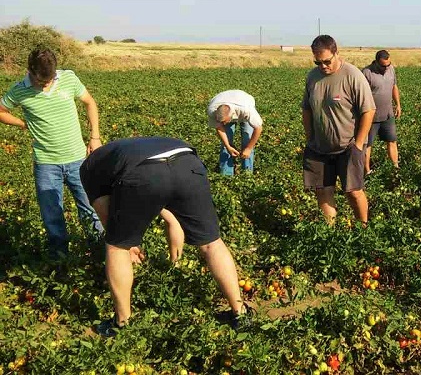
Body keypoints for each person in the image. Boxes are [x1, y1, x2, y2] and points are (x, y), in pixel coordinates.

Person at [79, 137, 249, 337]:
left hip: (144, 172)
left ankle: (122, 323)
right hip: (188, 163)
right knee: (212, 243)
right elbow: (166, 202)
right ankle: (240, 313)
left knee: (116, 247)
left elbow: (107, 216)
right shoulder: (131, 149)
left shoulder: (88, 169)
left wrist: (127, 244)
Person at [0, 49, 104, 258]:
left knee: (90, 207)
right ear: (30, 71)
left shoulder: (69, 78)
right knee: (52, 215)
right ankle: (59, 258)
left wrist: (95, 136)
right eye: (41, 80)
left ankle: (99, 251)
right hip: (46, 163)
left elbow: (89, 102)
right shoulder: (20, 90)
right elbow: (1, 110)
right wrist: (23, 124)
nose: (45, 84)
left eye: (49, 79)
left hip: (78, 159)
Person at [302, 35, 376, 224]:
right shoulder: (312, 77)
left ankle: (363, 228)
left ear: (336, 53)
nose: (323, 66)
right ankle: (330, 232)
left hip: (348, 146)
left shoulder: (352, 76)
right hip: (319, 147)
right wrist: (310, 137)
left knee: (353, 191)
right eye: (318, 62)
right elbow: (307, 109)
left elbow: (369, 110)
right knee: (322, 190)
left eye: (327, 61)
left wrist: (359, 144)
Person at [362, 50, 401, 174]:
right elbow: (361, 95)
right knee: (367, 145)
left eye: (388, 65)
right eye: (383, 66)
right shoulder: (366, 72)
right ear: (376, 62)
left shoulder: (391, 69)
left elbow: (394, 87)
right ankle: (367, 171)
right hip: (371, 116)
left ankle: (395, 168)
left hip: (388, 114)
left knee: (392, 140)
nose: (386, 68)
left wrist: (398, 105)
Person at [206, 90, 263, 175]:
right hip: (223, 101)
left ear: (232, 115)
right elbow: (219, 128)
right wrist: (228, 146)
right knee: (226, 145)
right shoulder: (212, 111)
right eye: (221, 122)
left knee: (247, 141)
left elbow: (258, 128)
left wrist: (248, 148)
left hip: (243, 102)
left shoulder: (247, 110)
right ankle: (226, 175)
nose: (223, 124)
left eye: (225, 121)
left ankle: (247, 174)